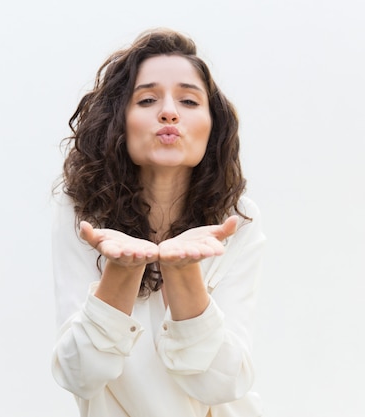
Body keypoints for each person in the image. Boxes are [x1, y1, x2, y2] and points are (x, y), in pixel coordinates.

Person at [50, 28, 266, 417]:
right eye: (148, 99)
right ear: (120, 119)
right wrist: (120, 272)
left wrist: (183, 276)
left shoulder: (237, 220)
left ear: (212, 125)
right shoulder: (82, 213)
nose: (169, 112)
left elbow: (225, 383)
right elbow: (78, 375)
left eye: (188, 100)